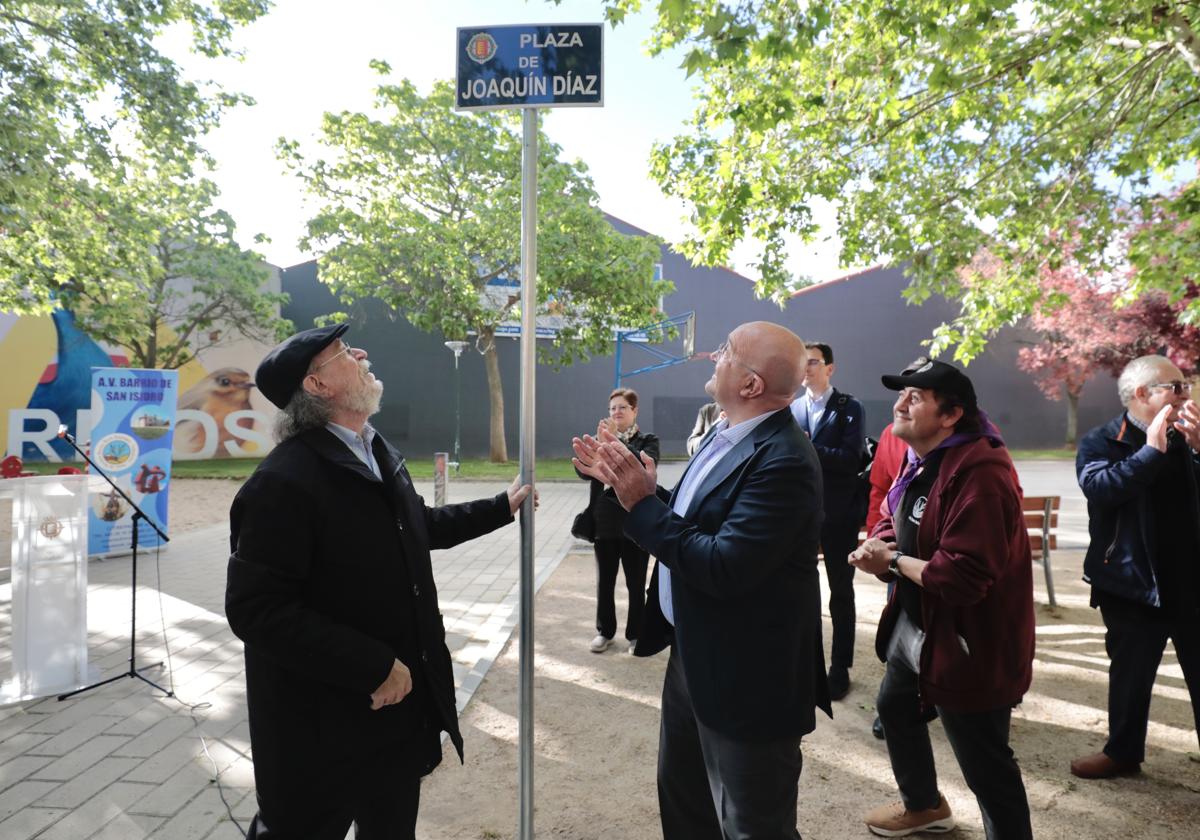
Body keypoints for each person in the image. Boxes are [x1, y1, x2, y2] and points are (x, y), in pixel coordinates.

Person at [225, 324, 531, 840]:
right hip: (322, 728)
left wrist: (500, 508)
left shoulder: (374, 450)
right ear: (317, 387)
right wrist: (372, 665)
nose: (362, 353)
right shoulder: (282, 483)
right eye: (344, 352)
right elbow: (256, 610)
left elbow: (415, 527)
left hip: (393, 719)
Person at [573, 320, 831, 840]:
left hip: (748, 680)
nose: (715, 353)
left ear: (751, 385)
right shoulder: (725, 431)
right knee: (687, 808)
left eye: (727, 351)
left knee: (752, 825)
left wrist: (641, 504)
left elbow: (723, 565)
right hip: (695, 654)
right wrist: (638, 490)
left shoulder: (785, 460)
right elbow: (699, 525)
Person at [850, 358, 1034, 839]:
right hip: (919, 628)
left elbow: (963, 578)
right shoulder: (922, 460)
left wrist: (889, 564)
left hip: (969, 641)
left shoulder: (981, 471)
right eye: (901, 392)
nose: (901, 403)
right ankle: (925, 806)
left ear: (951, 415)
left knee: (985, 765)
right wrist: (880, 542)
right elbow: (898, 513)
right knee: (894, 710)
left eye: (916, 396)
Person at [1069, 355, 1200, 779]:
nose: (1186, 395)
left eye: (1186, 386)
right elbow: (1101, 489)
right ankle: (1123, 753)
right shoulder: (1101, 440)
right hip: (1130, 581)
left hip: (1191, 581)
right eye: (1175, 387)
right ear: (1142, 394)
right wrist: (1150, 452)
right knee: (1130, 674)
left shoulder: (1191, 438)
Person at [791, 341, 865, 700]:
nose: (807, 368)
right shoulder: (792, 409)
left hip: (838, 513)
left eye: (814, 362)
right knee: (802, 591)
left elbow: (852, 459)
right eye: (802, 362)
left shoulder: (849, 408)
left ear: (830, 368)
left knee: (840, 591)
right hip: (801, 513)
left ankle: (840, 666)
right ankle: (808, 663)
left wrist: (810, 448)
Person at [578, 387, 660, 653]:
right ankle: (605, 631)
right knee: (606, 581)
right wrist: (595, 448)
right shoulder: (600, 439)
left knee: (636, 583)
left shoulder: (648, 440)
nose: (616, 413)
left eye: (622, 408)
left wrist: (613, 442)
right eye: (613, 408)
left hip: (635, 521)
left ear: (634, 411)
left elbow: (642, 465)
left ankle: (636, 634)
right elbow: (584, 472)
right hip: (604, 523)